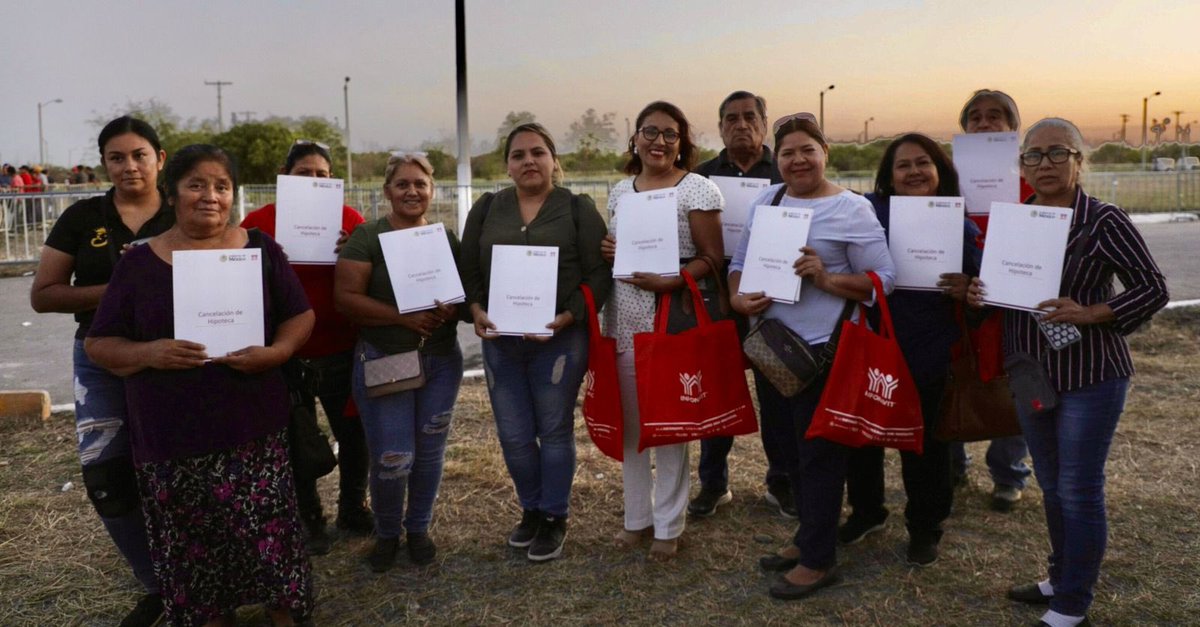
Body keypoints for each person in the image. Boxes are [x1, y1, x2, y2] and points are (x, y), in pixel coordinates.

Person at [85, 144, 316, 626]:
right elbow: (99, 344)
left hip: (253, 430)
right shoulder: (137, 264)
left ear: (234, 194)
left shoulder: (260, 248)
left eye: (222, 186)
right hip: (173, 440)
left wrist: (276, 353)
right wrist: (149, 352)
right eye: (196, 184)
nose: (210, 195)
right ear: (171, 193)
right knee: (194, 551)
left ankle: (285, 612)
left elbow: (300, 315)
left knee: (269, 537)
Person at [969, 118, 1168, 627]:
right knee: (1053, 485)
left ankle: (1073, 602)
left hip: (1090, 374)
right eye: (1033, 156)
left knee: (1079, 487)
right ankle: (1060, 578)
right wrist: (979, 293)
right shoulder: (1016, 219)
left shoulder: (1103, 220)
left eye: (1058, 153)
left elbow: (1152, 288)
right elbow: (1003, 293)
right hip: (1032, 370)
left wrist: (1091, 311)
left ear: (1080, 160)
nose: (1045, 164)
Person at [731, 112, 895, 599]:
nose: (798, 160)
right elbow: (739, 265)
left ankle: (820, 560)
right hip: (772, 348)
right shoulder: (769, 199)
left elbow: (882, 280)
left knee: (818, 455)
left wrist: (826, 279)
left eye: (807, 150)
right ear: (776, 159)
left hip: (824, 351)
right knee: (786, 452)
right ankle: (807, 537)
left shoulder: (852, 209)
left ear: (825, 153)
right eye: (787, 152)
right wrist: (739, 299)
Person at [29, 116, 174, 627]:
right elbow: (43, 294)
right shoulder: (82, 216)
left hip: (177, 361)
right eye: (117, 157)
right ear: (104, 163)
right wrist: (124, 286)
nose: (129, 165)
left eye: (139, 154)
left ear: (160, 157)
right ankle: (157, 587)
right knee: (108, 479)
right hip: (101, 359)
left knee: (178, 474)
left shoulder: (186, 209)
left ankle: (194, 579)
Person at [459, 123, 612, 562]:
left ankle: (554, 516)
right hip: (502, 342)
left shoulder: (577, 208)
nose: (529, 161)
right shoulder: (487, 209)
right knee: (513, 434)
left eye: (538, 152)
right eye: (519, 154)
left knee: (554, 429)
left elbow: (597, 274)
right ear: (507, 165)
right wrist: (475, 309)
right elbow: (468, 271)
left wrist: (569, 316)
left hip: (559, 341)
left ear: (553, 160)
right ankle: (530, 508)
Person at [840, 133, 981, 566]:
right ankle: (867, 512)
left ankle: (925, 526)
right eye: (904, 165)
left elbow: (982, 294)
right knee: (861, 436)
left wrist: (968, 290)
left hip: (928, 347)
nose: (915, 172)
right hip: (872, 340)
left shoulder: (961, 226)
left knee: (926, 446)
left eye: (924, 163)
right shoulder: (865, 212)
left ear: (940, 172)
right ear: (889, 176)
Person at [600, 101, 724, 560]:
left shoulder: (698, 189)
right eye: (649, 132)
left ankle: (669, 525)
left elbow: (712, 258)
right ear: (634, 138)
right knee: (631, 427)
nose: (658, 141)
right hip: (624, 321)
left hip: (672, 320)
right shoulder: (619, 191)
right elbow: (615, 248)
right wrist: (609, 247)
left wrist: (672, 279)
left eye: (670, 134)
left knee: (670, 426)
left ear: (682, 142)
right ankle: (637, 518)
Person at [241, 140, 372, 555]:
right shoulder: (258, 223)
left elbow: (373, 277)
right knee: (295, 440)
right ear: (286, 177)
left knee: (354, 434)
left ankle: (353, 507)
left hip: (340, 346)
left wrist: (353, 249)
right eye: (304, 173)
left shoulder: (351, 220)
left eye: (321, 174)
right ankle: (309, 517)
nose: (314, 180)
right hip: (286, 351)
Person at [334, 153, 464, 572]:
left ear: (432, 190)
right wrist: (400, 317)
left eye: (420, 184)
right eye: (402, 184)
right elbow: (346, 299)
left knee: (429, 450)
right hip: (387, 357)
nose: (412, 191)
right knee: (393, 454)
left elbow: (466, 294)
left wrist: (452, 310)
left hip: (440, 360)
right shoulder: (367, 237)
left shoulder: (445, 239)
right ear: (387, 191)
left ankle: (418, 528)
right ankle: (387, 533)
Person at [689, 90, 794, 520]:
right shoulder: (702, 176)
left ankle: (782, 483)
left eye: (749, 116)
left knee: (778, 396)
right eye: (730, 118)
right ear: (720, 128)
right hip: (717, 299)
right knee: (717, 393)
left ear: (765, 124)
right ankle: (714, 483)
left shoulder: (787, 170)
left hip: (776, 301)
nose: (740, 124)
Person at [954, 88, 1034, 511]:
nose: (984, 124)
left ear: (1012, 127)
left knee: (1015, 385)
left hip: (1014, 305)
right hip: (956, 299)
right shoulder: (947, 181)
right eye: (976, 118)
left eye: (995, 117)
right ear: (964, 128)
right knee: (953, 378)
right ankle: (952, 464)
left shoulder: (1030, 183)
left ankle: (1008, 472)